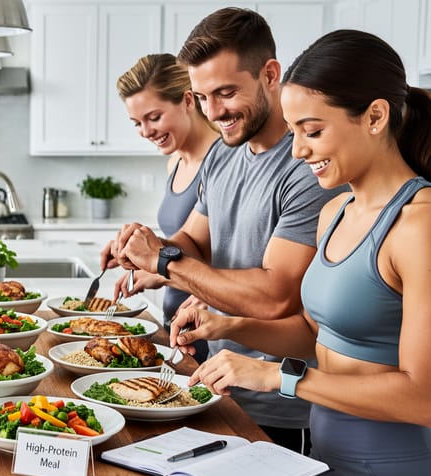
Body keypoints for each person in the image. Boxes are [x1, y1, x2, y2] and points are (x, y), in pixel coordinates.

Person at [172, 30, 431, 476]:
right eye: (293, 133)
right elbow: (319, 335)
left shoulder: (420, 226)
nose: (297, 151)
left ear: (375, 116)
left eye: (312, 131)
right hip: (328, 461)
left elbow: (423, 396)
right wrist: (231, 326)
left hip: (399, 474)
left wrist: (278, 378)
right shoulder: (336, 212)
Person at [101, 7, 347, 453]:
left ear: (270, 74)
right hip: (218, 384)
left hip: (280, 405)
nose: (214, 112)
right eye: (202, 96)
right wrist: (146, 249)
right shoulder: (224, 154)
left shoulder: (307, 167)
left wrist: (162, 261)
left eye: (226, 92)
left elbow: (276, 295)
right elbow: (194, 240)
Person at [113, 53, 220, 363]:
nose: (146, 131)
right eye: (137, 123)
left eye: (154, 117)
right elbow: (190, 245)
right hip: (174, 316)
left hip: (204, 320)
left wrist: (163, 273)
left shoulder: (223, 160)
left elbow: (231, 257)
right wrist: (147, 261)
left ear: (188, 100)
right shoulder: (175, 160)